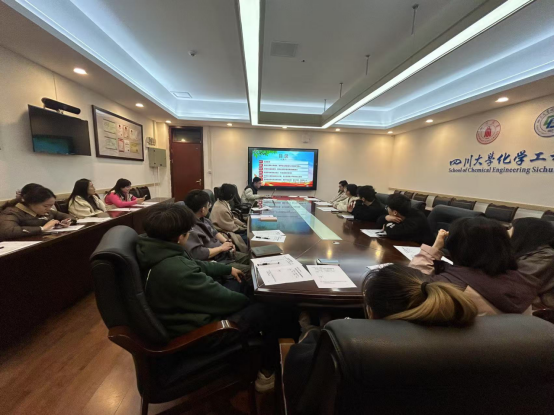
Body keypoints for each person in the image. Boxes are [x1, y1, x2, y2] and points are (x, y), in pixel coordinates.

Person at [283, 264, 478, 412]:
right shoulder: (474, 350)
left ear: (371, 311)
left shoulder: (348, 349)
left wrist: (319, 332)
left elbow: (298, 374)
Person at [136, 204, 281, 392]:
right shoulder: (177, 271)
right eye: (188, 232)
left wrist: (227, 268)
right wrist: (253, 300)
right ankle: (267, 372)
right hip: (200, 334)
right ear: (180, 237)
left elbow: (196, 265)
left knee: (248, 287)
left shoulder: (156, 250)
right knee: (271, 308)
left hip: (186, 317)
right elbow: (226, 301)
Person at [410, 218, 540, 316]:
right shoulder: (524, 282)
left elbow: (411, 284)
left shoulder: (449, 288)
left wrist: (435, 248)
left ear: (455, 246)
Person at [184, 190, 251, 274]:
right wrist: (221, 248)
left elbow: (215, 232)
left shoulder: (204, 220)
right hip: (216, 261)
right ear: (203, 209)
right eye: (208, 205)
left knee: (252, 260)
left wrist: (227, 242)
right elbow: (198, 254)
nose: (209, 208)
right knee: (252, 271)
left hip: (223, 253)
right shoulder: (190, 228)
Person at [510, 218, 554, 309]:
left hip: (534, 306)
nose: (507, 231)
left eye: (511, 228)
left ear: (524, 234)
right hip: (517, 299)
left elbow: (515, 282)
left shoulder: (545, 256)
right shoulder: (525, 249)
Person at [0, 186, 72, 241]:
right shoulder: (11, 212)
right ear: (31, 203)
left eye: (51, 206)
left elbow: (66, 216)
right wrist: (42, 228)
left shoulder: (44, 210)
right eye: (45, 206)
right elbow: (7, 231)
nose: (49, 209)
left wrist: (64, 222)